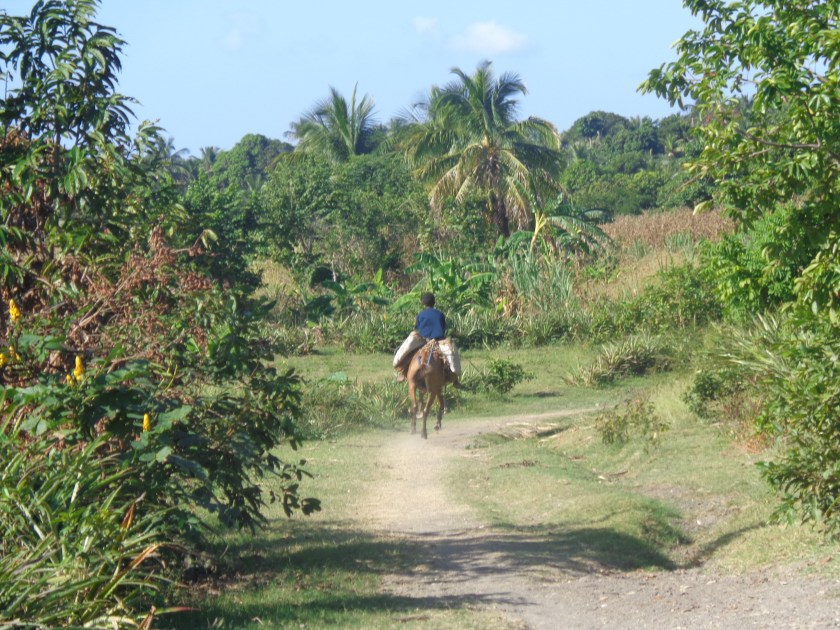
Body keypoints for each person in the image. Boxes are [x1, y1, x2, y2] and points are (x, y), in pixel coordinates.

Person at [393, 292, 463, 389]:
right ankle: (455, 379)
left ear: (423, 303)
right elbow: (443, 328)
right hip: (438, 341)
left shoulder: (421, 315)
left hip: (423, 341)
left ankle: (403, 372)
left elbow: (418, 328)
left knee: (407, 353)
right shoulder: (440, 314)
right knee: (451, 355)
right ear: (434, 302)